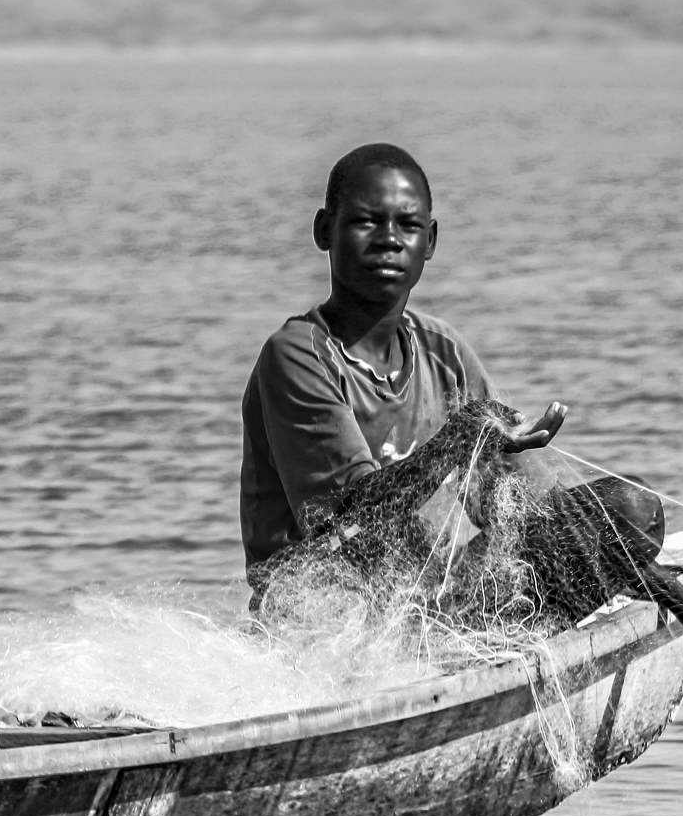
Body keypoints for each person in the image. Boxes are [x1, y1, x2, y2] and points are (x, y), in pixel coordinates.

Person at [239, 142, 565, 580]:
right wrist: (462, 438)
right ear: (324, 230)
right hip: (326, 606)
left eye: (407, 225)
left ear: (429, 241)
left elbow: (537, 505)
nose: (389, 239)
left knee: (627, 514)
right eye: (365, 221)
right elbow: (353, 520)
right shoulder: (298, 356)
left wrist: (676, 602)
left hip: (433, 591)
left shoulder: (442, 349)